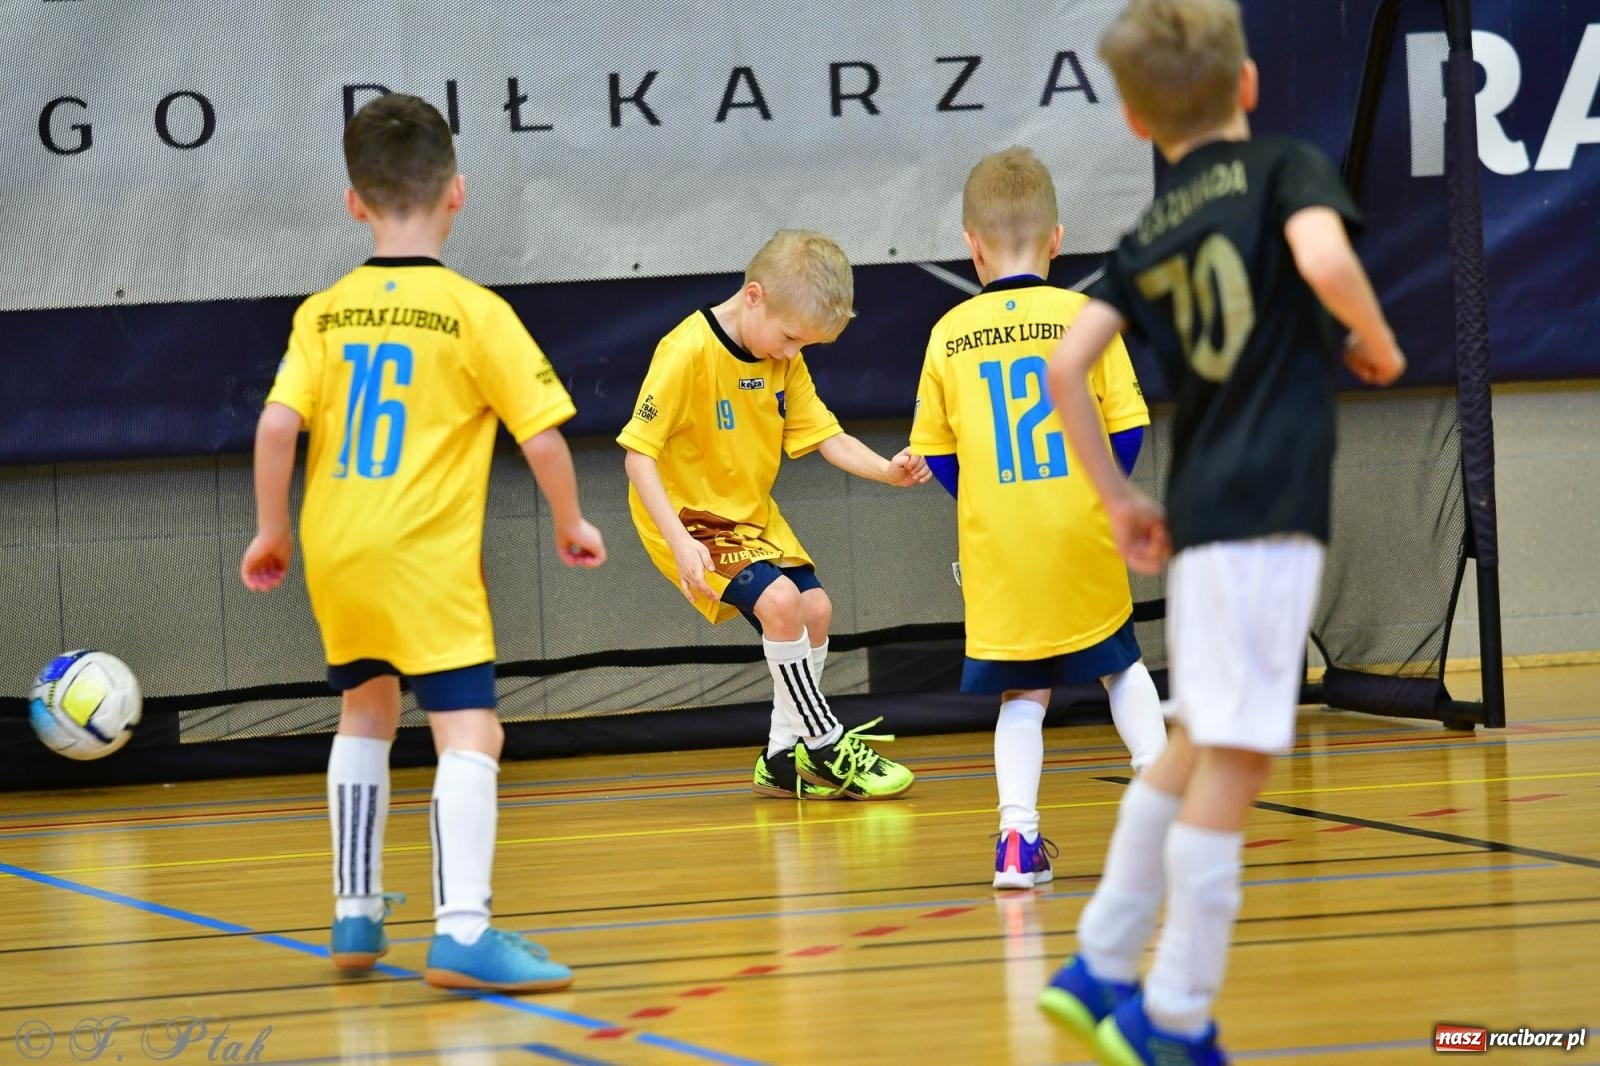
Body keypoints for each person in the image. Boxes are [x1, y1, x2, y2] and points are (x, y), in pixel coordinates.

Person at [1035, 1, 1406, 1061]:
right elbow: (1324, 262)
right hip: (1268, 511)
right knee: (1236, 761)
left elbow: (1065, 366)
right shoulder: (1286, 166)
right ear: (1246, 84)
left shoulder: (1149, 231)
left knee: (1198, 737)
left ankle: (1099, 962)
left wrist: (1118, 498)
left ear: (1135, 121)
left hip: (1200, 513)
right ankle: (1174, 1012)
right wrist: (1375, 339)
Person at [240, 93, 606, 994]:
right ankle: (463, 930)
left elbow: (278, 426)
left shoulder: (324, 313)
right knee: (471, 729)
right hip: (425, 558)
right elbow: (543, 437)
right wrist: (571, 520)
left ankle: (354, 911)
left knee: (365, 711)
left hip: (337, 548)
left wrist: (272, 530)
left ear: (353, 203)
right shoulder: (474, 311)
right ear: (458, 193)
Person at [910, 147, 1168, 890]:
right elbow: (1127, 428)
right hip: (1082, 528)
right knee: (1120, 664)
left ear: (972, 245)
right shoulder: (1085, 315)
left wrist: (991, 501)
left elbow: (936, 453)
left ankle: (1016, 842)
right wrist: (1099, 493)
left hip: (1000, 545)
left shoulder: (948, 332)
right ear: (1057, 239)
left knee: (1022, 693)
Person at [619, 230, 930, 801]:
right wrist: (680, 542)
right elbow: (638, 457)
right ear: (754, 296)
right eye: (790, 338)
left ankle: (781, 756)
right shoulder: (687, 351)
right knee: (782, 602)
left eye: (804, 345)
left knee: (815, 608)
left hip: (751, 517)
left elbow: (827, 435)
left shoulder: (783, 359)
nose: (791, 354)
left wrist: (887, 471)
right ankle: (825, 741)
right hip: (691, 518)